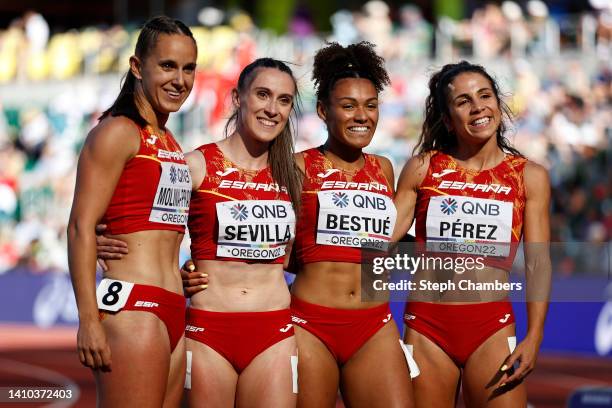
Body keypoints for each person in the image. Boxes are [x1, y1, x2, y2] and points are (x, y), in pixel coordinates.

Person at [97, 58, 302, 407]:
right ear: (238, 98)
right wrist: (101, 239)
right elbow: (145, 232)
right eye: (263, 95)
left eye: (283, 100)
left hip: (275, 333)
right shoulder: (193, 165)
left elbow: (309, 254)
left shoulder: (295, 175)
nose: (272, 109)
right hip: (208, 333)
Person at [392, 60, 551, 407]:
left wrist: (535, 336)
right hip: (426, 326)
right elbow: (380, 241)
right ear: (448, 119)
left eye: (484, 95)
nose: (478, 106)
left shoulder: (530, 176)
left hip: (491, 327)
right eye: (463, 101)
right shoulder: (423, 168)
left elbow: (538, 264)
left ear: (498, 103)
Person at [67, 16, 197, 407]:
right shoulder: (117, 132)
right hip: (133, 307)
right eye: (168, 66)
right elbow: (79, 227)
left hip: (174, 307)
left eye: (189, 68)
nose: (180, 80)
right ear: (137, 67)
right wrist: (89, 319)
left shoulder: (170, 140)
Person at [289, 42, 413, 407]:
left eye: (371, 106)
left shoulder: (385, 168)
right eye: (348, 106)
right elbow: (273, 246)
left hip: (374, 323)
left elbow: (383, 245)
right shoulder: (297, 167)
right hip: (309, 323)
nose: (362, 116)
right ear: (324, 111)